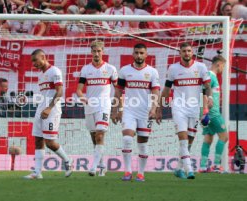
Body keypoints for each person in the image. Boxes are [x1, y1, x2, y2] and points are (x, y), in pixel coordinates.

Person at [156, 42, 213, 179]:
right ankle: (189, 170)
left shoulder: (201, 67)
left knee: (190, 141)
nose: (186, 53)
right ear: (180, 53)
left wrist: (209, 99)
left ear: (192, 52)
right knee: (182, 138)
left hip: (194, 108)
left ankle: (179, 168)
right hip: (179, 107)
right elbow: (167, 90)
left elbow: (207, 86)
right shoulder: (173, 68)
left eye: (189, 51)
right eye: (184, 51)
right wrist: (159, 108)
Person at [111, 43, 160, 182]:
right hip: (129, 110)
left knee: (143, 144)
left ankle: (141, 173)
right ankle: (127, 172)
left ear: (146, 55)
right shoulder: (125, 70)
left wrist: (154, 108)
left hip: (145, 112)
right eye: (136, 53)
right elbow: (118, 90)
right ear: (133, 54)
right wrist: (116, 110)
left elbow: (156, 91)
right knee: (127, 139)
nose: (139, 55)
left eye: (141, 53)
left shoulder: (152, 72)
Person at [24, 49, 73, 179]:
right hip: (41, 109)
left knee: (50, 142)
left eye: (35, 60)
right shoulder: (41, 75)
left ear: (43, 57)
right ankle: (37, 173)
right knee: (38, 140)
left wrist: (49, 108)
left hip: (52, 110)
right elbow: (45, 94)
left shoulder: (55, 71)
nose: (34, 63)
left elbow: (60, 92)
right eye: (32, 61)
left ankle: (68, 160)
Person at [76, 40, 118, 177]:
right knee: (94, 136)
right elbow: (79, 90)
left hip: (104, 105)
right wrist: (82, 97)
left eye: (99, 51)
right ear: (91, 52)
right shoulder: (86, 69)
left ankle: (93, 168)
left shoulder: (111, 69)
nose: (96, 53)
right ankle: (101, 165)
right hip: (89, 106)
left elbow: (118, 90)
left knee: (100, 134)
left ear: (103, 52)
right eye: (94, 51)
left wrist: (118, 108)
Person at [199, 55, 228, 173]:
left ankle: (202, 166)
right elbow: (203, 92)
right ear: (218, 64)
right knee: (224, 137)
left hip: (206, 112)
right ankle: (216, 165)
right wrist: (206, 109)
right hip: (212, 113)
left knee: (208, 138)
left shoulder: (211, 76)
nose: (223, 69)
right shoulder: (211, 75)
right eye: (223, 66)